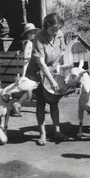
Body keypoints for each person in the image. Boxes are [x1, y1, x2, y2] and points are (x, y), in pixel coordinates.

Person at [26, 13, 68, 146]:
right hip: (38, 72)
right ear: (46, 26)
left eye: (58, 28)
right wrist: (51, 80)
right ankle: (42, 133)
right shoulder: (38, 38)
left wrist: (58, 70)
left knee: (54, 101)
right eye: (53, 29)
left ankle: (57, 131)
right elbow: (41, 63)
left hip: (52, 70)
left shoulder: (59, 34)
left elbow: (61, 53)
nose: (56, 31)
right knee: (41, 103)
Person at [11, 23, 39, 117]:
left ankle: (19, 103)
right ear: (26, 34)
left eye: (33, 32)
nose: (32, 34)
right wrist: (24, 73)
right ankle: (18, 103)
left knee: (33, 87)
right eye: (30, 33)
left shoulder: (27, 42)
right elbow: (26, 59)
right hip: (30, 69)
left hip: (32, 69)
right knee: (34, 86)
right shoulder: (29, 43)